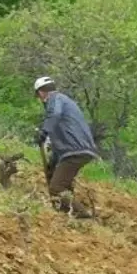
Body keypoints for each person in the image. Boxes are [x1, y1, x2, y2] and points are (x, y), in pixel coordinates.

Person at [33, 76, 98, 217]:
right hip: (80, 149)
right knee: (64, 185)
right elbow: (60, 141)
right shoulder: (65, 103)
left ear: (41, 93)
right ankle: (65, 214)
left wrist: (44, 131)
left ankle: (81, 215)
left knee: (56, 187)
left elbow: (54, 115)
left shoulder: (55, 100)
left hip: (74, 150)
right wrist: (52, 163)